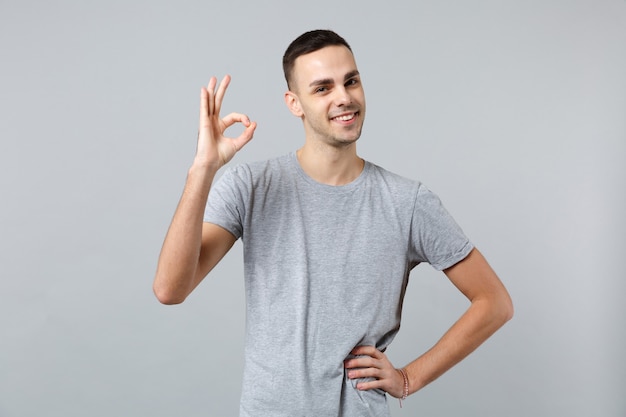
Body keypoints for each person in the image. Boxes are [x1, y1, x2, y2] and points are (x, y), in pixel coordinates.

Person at [153, 29, 513, 417]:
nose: (344, 97)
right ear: (295, 103)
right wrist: (202, 169)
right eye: (322, 88)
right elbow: (171, 289)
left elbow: (495, 302)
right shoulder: (251, 186)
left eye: (351, 81)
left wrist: (409, 378)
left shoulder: (406, 201)